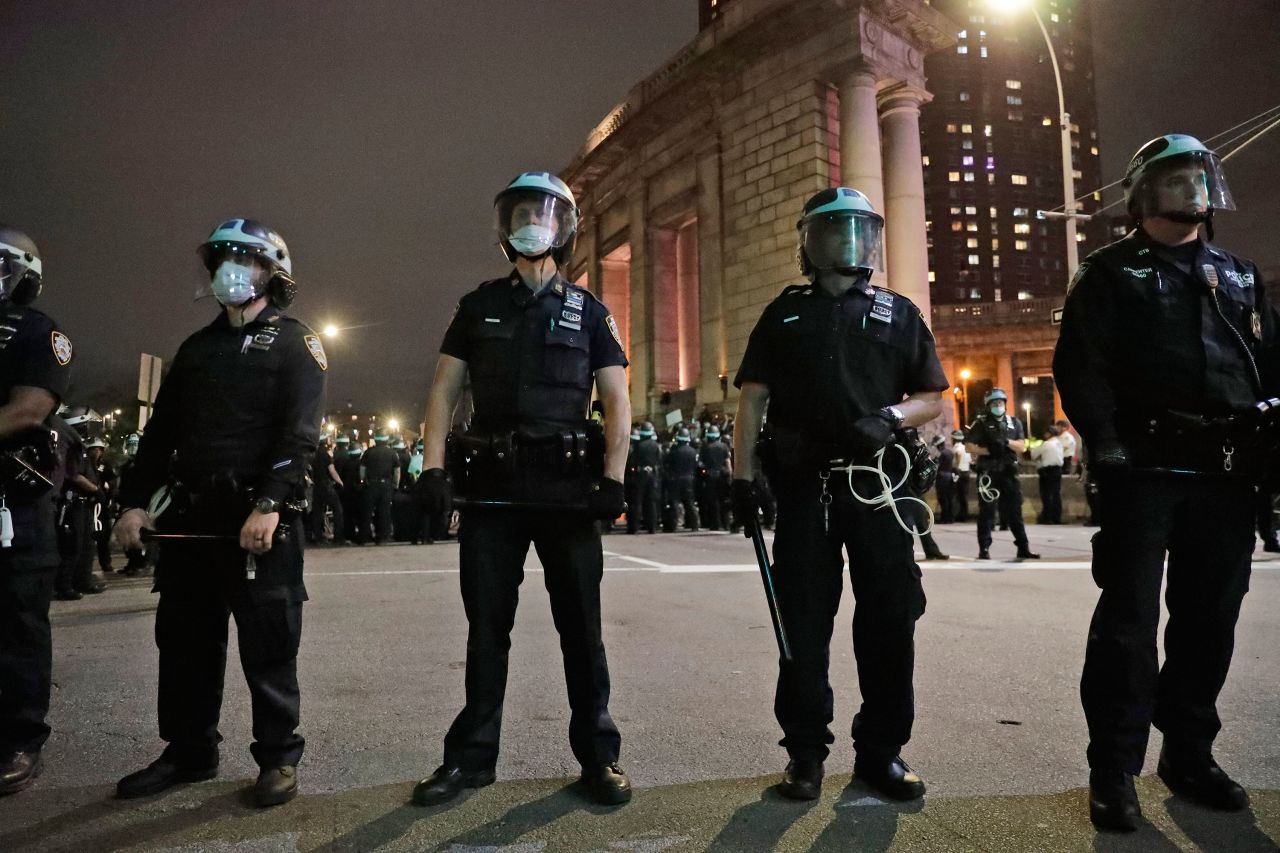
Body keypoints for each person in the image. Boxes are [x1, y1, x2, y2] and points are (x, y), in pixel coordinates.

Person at [1054, 134, 1274, 832]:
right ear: (1146, 191)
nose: (1196, 189)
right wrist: (1107, 442)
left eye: (1202, 177)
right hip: (1143, 468)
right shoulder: (1110, 272)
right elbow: (1080, 367)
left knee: (1211, 620)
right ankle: (1113, 768)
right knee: (1128, 626)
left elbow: (1264, 363)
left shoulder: (1237, 275)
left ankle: (1189, 753)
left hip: (1227, 473)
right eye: (1180, 178)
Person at [413, 172, 633, 807]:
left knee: (582, 632)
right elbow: (443, 390)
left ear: (564, 228)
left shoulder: (592, 311)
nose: (532, 222)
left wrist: (613, 481)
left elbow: (616, 400)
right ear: (503, 227)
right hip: (492, 493)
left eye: (545, 213)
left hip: (567, 492)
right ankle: (471, 760)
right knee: (486, 630)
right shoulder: (477, 303)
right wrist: (432, 469)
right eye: (520, 212)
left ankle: (599, 757)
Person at [731, 188, 947, 802]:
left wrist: (891, 415)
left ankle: (882, 753)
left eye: (859, 231)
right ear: (810, 242)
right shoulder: (784, 312)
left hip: (877, 490)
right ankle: (805, 753)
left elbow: (933, 395)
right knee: (801, 624)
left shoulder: (897, 312)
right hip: (805, 492)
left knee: (888, 622)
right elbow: (752, 398)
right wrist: (742, 478)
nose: (848, 243)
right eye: (833, 231)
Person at [112, 218, 325, 807]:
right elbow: (159, 436)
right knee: (183, 643)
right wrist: (133, 502)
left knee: (269, 644)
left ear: (272, 273)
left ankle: (278, 758)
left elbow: (299, 435)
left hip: (257, 520)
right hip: (192, 519)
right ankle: (189, 751)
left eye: (247, 259)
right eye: (224, 258)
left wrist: (268, 504)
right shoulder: (197, 347)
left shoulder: (295, 343)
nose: (231, 270)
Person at [0, 225, 73, 794]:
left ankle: (21, 739)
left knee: (19, 624)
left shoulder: (35, 330)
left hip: (12, 504)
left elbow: (29, 408)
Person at [966, 389, 1039, 560]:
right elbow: (969, 446)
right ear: (988, 405)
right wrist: (987, 450)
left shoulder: (1014, 422)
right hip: (988, 472)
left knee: (1015, 511)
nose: (998, 406)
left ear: (1005, 404)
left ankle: (1023, 547)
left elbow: (1022, 446)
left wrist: (1006, 442)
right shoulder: (981, 423)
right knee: (987, 512)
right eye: (994, 403)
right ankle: (984, 549)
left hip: (1009, 472)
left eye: (1000, 402)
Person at [53, 406, 106, 599]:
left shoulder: (80, 444)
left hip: (84, 503)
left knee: (86, 544)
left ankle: (83, 581)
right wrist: (95, 490)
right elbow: (72, 475)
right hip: (72, 502)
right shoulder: (69, 441)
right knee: (71, 545)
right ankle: (64, 586)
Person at [118, 432, 149, 575]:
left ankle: (140, 564)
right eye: (131, 445)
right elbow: (122, 486)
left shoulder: (144, 465)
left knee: (138, 536)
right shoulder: (126, 466)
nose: (133, 448)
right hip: (127, 504)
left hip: (139, 505)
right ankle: (132, 562)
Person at [360, 432, 399, 544]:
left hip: (371, 484)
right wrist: (395, 485)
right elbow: (397, 471)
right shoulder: (392, 453)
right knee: (383, 512)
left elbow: (362, 469)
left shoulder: (368, 452)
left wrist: (363, 481)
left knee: (367, 511)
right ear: (387, 440)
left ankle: (364, 537)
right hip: (386, 485)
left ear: (375, 440)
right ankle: (381, 537)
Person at [308, 435, 344, 545]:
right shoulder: (326, 453)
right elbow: (332, 471)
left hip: (316, 486)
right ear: (325, 440)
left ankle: (319, 537)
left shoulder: (312, 453)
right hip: (326, 486)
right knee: (338, 510)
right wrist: (340, 482)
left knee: (318, 512)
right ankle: (338, 538)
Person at [663, 428, 700, 532]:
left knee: (674, 503)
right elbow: (696, 466)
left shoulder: (673, 452)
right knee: (690, 503)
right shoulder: (693, 452)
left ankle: (672, 525)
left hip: (676, 479)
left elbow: (667, 465)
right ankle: (694, 524)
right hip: (689, 479)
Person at [628, 422, 660, 534]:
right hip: (652, 475)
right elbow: (659, 460)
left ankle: (633, 527)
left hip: (640, 474)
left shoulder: (638, 445)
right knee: (651, 502)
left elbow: (633, 460)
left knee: (636, 502)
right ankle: (652, 527)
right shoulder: (656, 445)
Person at [698, 425, 733, 530]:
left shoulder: (705, 447)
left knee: (713, 502)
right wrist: (730, 475)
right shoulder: (724, 447)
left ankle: (716, 524)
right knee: (724, 501)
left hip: (710, 477)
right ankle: (726, 524)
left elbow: (701, 464)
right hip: (722, 476)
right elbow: (728, 462)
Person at [1032, 425, 1065, 524]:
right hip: (1058, 470)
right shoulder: (1059, 444)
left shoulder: (1047, 444)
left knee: (1046, 495)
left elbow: (1033, 454)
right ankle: (1057, 517)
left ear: (1048, 433)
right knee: (1056, 494)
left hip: (1047, 471)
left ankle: (1047, 517)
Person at [932, 434, 955, 524]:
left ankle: (945, 518)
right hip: (949, 476)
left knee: (943, 498)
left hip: (942, 477)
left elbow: (937, 466)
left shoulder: (941, 454)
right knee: (949, 498)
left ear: (938, 445)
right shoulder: (950, 452)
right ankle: (950, 517)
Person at [951, 429, 971, 522]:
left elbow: (958, 454)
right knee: (964, 496)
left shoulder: (957, 447)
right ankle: (964, 515)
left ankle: (960, 515)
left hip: (959, 473)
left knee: (958, 496)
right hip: (966, 472)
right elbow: (971, 460)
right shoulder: (965, 447)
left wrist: (957, 466)